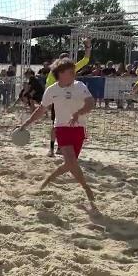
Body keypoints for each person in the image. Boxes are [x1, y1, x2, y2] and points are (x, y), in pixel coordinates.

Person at [18, 58, 96, 207]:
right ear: (60, 74)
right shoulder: (52, 90)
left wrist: (78, 113)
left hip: (79, 127)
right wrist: (26, 123)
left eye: (74, 71)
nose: (74, 74)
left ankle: (48, 179)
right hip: (61, 128)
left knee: (69, 165)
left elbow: (91, 103)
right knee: (71, 162)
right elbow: (41, 110)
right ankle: (86, 188)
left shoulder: (79, 86)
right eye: (70, 72)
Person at [45, 38, 92, 157]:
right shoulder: (55, 73)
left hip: (69, 101)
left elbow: (85, 60)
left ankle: (59, 148)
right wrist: (50, 102)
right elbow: (49, 87)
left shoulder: (67, 70)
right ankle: (52, 149)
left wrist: (87, 47)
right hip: (60, 102)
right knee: (57, 125)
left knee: (65, 125)